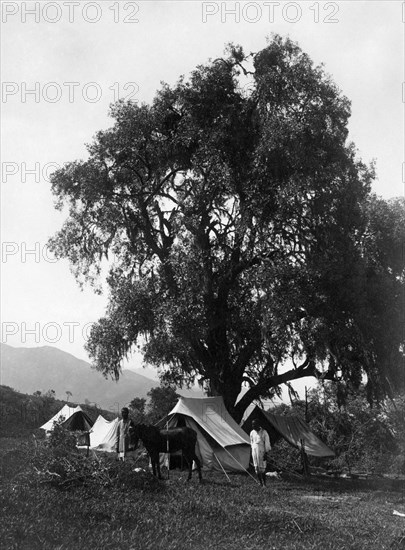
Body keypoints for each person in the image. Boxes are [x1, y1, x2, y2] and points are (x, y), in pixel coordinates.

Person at [250, 419, 271, 486]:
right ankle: (260, 483)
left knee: (262, 468)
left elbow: (267, 443)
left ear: (258, 425)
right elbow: (251, 442)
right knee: (256, 467)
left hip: (261, 451)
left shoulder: (264, 432)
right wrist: (252, 451)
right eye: (252, 424)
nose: (253, 426)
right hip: (254, 451)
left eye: (254, 424)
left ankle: (264, 483)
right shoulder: (252, 432)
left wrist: (266, 453)